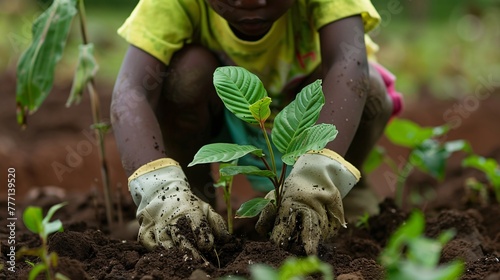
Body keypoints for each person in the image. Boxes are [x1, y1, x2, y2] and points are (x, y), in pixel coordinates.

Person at [111, 0, 403, 259]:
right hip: (225, 119)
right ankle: (190, 204)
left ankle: (339, 199)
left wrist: (320, 173)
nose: (251, 2)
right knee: (186, 74)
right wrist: (159, 191)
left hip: (320, 119)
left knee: (372, 92)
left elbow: (348, 67)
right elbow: (130, 92)